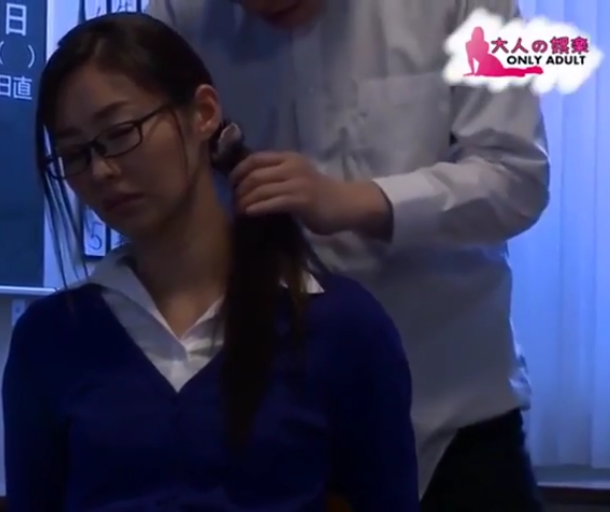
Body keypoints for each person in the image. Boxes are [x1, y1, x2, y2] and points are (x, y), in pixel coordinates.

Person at [2, 12, 418, 512]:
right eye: (75, 154)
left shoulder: (340, 326)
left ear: (203, 113)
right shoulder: (51, 339)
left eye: (120, 132)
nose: (101, 170)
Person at [146, 0, 550, 510]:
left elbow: (518, 177)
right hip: (269, 413)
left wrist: (355, 201)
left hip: (454, 408)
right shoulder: (178, 13)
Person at [465, 26, 544, 77]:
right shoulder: (468, 44)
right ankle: (530, 70)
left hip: (491, 62)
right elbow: (470, 59)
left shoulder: (485, 44)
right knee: (506, 72)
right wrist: (473, 71)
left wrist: (478, 72)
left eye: (479, 34)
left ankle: (530, 70)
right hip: (486, 65)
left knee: (506, 72)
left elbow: (483, 59)